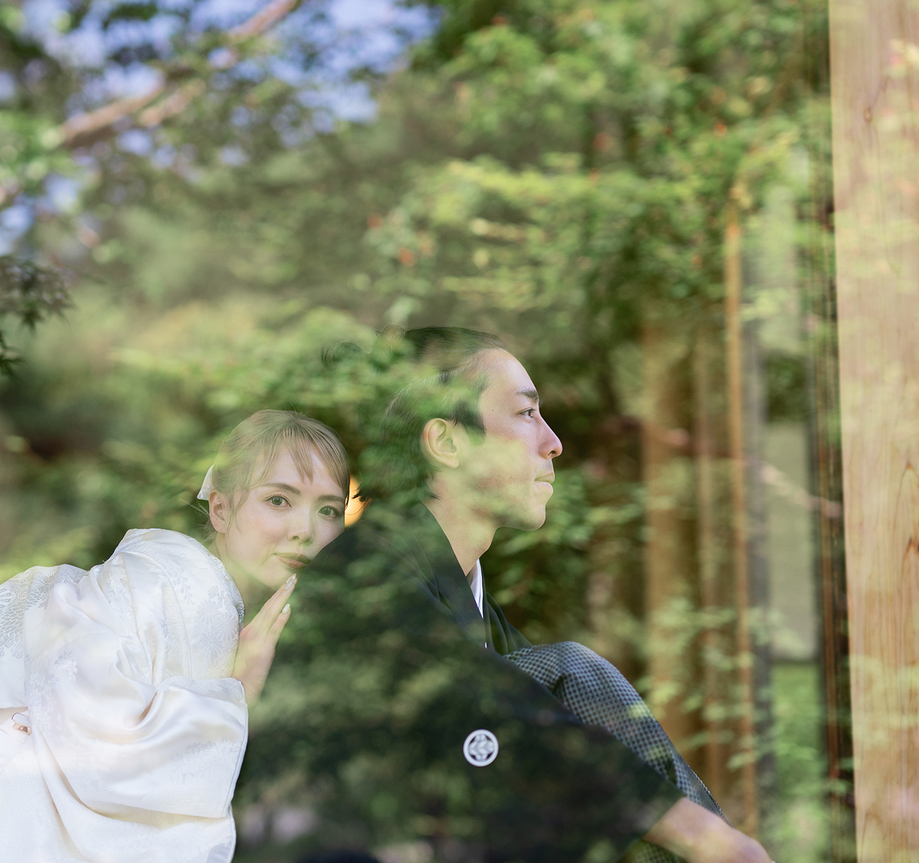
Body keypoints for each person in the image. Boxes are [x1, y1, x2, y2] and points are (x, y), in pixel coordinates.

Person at [283, 327, 773, 863]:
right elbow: (479, 707)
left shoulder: (468, 604)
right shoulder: (365, 573)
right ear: (446, 443)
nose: (552, 442)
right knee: (569, 675)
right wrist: (709, 839)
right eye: (525, 414)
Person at [0, 409, 350, 863]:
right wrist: (236, 695)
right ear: (220, 509)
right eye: (279, 500)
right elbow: (98, 736)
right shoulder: (188, 592)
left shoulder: (190, 589)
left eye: (328, 510)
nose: (306, 529)